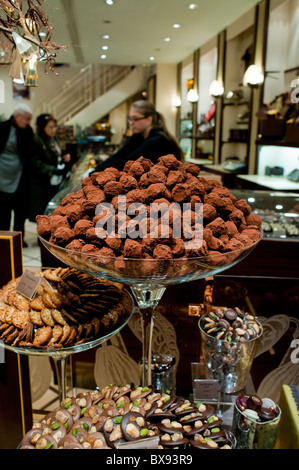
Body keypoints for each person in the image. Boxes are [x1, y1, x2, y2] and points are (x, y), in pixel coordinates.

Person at [91, 100, 184, 174]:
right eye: (129, 119)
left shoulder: (158, 140)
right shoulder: (139, 137)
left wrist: (94, 173)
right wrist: (94, 170)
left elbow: (127, 162)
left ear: (149, 119)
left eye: (135, 119)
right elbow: (119, 155)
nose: (131, 123)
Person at [0, 103, 34, 246]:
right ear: (17, 115)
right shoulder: (3, 128)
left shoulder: (28, 130)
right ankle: (4, 239)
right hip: (3, 174)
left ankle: (19, 239)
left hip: (22, 176)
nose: (28, 122)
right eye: (26, 119)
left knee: (21, 211)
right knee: (3, 211)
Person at [28, 113, 71, 222]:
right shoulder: (37, 140)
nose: (54, 129)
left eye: (54, 126)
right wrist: (52, 170)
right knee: (42, 214)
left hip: (54, 182)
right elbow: (34, 162)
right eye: (50, 127)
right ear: (43, 127)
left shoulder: (54, 139)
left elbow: (56, 155)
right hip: (42, 183)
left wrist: (63, 157)